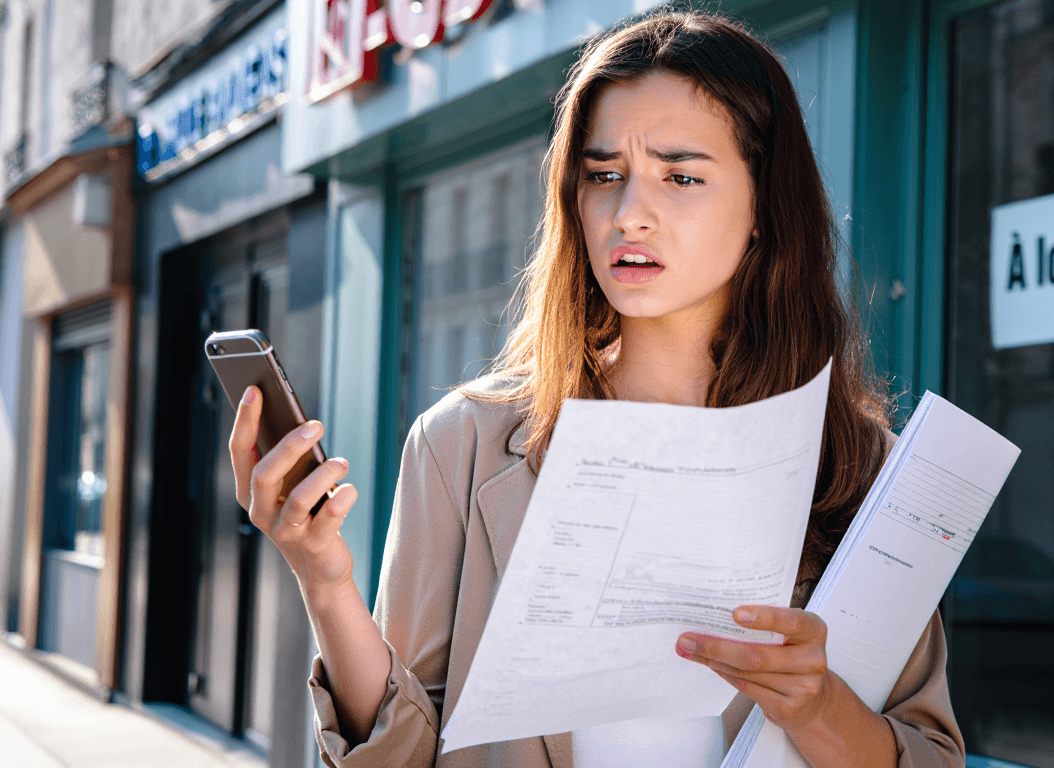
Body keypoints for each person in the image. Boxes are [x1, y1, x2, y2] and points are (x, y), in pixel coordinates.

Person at [228, 8, 964, 768]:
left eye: (681, 176)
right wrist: (325, 580)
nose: (629, 214)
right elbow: (402, 753)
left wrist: (817, 707)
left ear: (763, 208)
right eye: (604, 175)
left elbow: (931, 756)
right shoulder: (462, 443)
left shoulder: (859, 464)